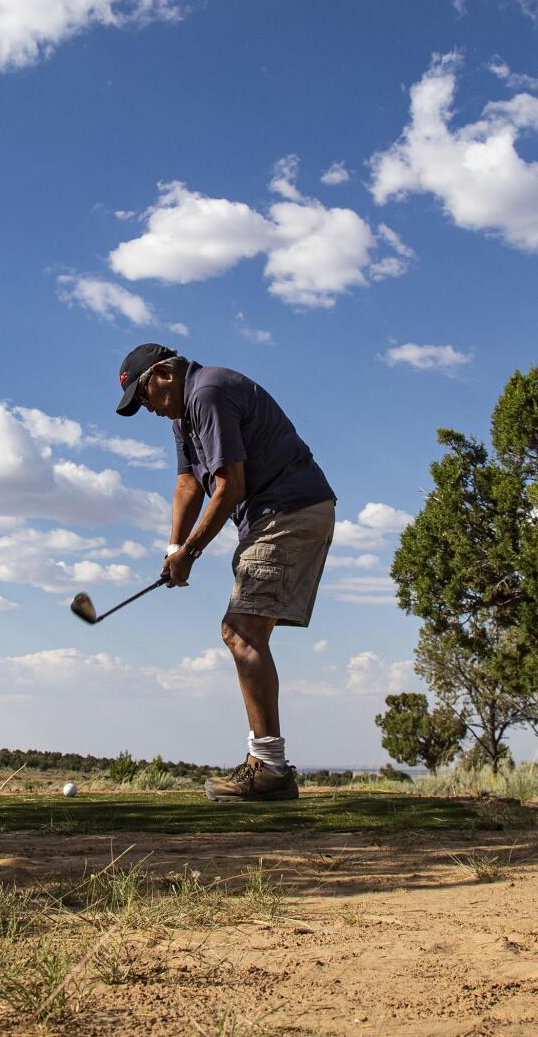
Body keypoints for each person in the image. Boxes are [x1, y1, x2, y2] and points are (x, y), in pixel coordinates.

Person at [114, 343, 336, 801]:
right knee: (242, 631)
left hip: (288, 510)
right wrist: (174, 545)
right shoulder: (182, 416)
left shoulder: (207, 392)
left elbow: (229, 486)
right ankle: (266, 764)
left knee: (241, 632)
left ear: (163, 375)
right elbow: (189, 482)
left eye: (144, 396)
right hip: (270, 515)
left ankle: (270, 769)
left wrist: (190, 554)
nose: (147, 409)